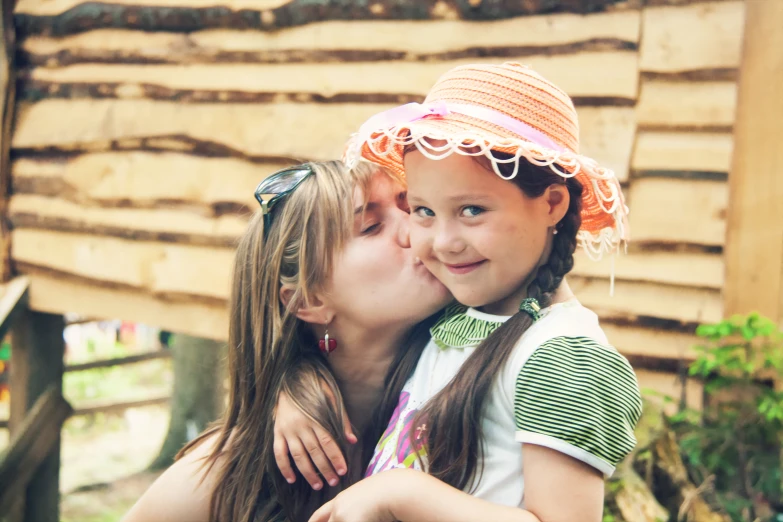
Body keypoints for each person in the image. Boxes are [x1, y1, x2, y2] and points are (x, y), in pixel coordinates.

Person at [276, 63, 643, 522]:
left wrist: (400, 494)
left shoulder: (563, 358)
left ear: (552, 203)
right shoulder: (458, 316)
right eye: (424, 210)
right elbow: (353, 357)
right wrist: (292, 395)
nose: (442, 242)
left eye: (472, 210)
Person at [121, 160, 451, 522]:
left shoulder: (481, 371)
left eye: (412, 207)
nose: (416, 228)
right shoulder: (233, 472)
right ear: (307, 301)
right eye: (371, 227)